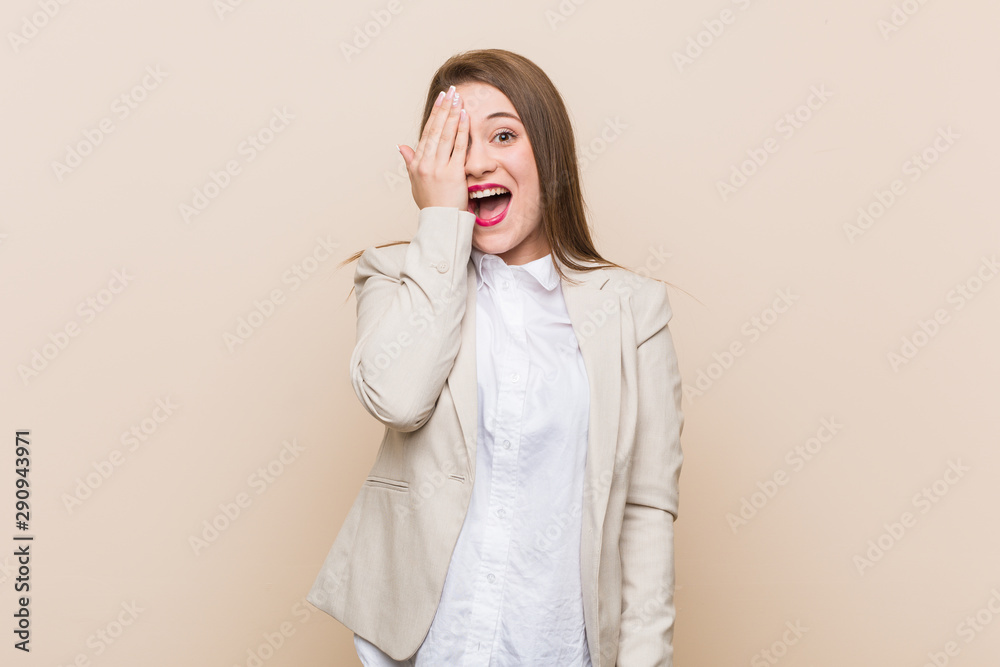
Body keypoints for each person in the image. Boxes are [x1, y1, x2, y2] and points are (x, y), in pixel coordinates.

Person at [307, 48, 684, 666]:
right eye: (455, 144)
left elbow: (645, 510)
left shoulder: (632, 310)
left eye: (503, 135)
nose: (477, 162)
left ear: (549, 152)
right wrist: (440, 221)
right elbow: (398, 400)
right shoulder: (396, 275)